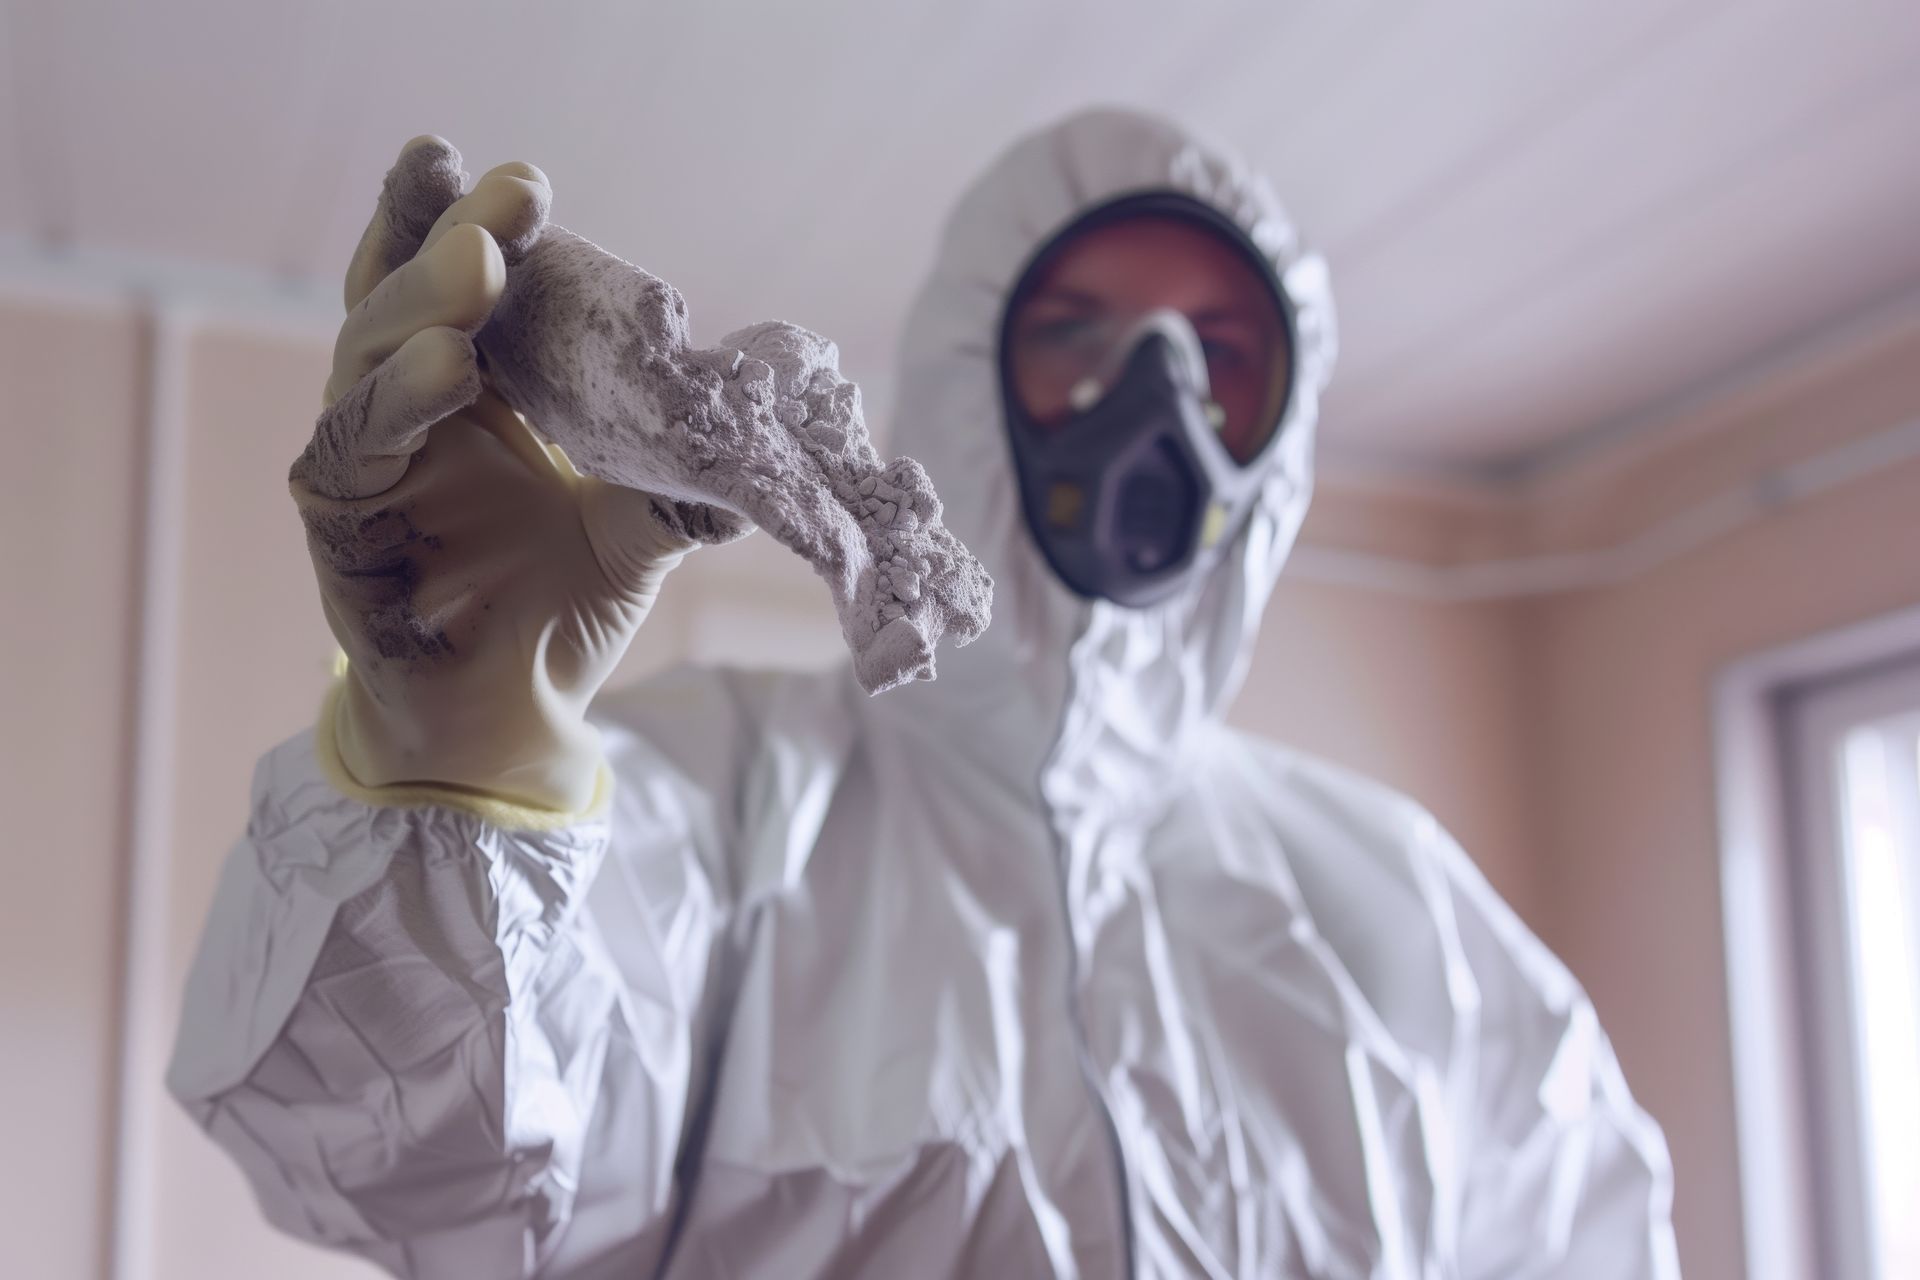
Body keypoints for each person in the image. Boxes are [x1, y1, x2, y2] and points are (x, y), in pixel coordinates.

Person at [169, 108, 1679, 1278]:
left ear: (1278, 437)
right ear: (966, 379)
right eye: (1080, 341)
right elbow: (434, 1174)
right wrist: (459, 766)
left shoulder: (1405, 908)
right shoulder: (723, 800)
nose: (1154, 407)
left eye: (1217, 354)